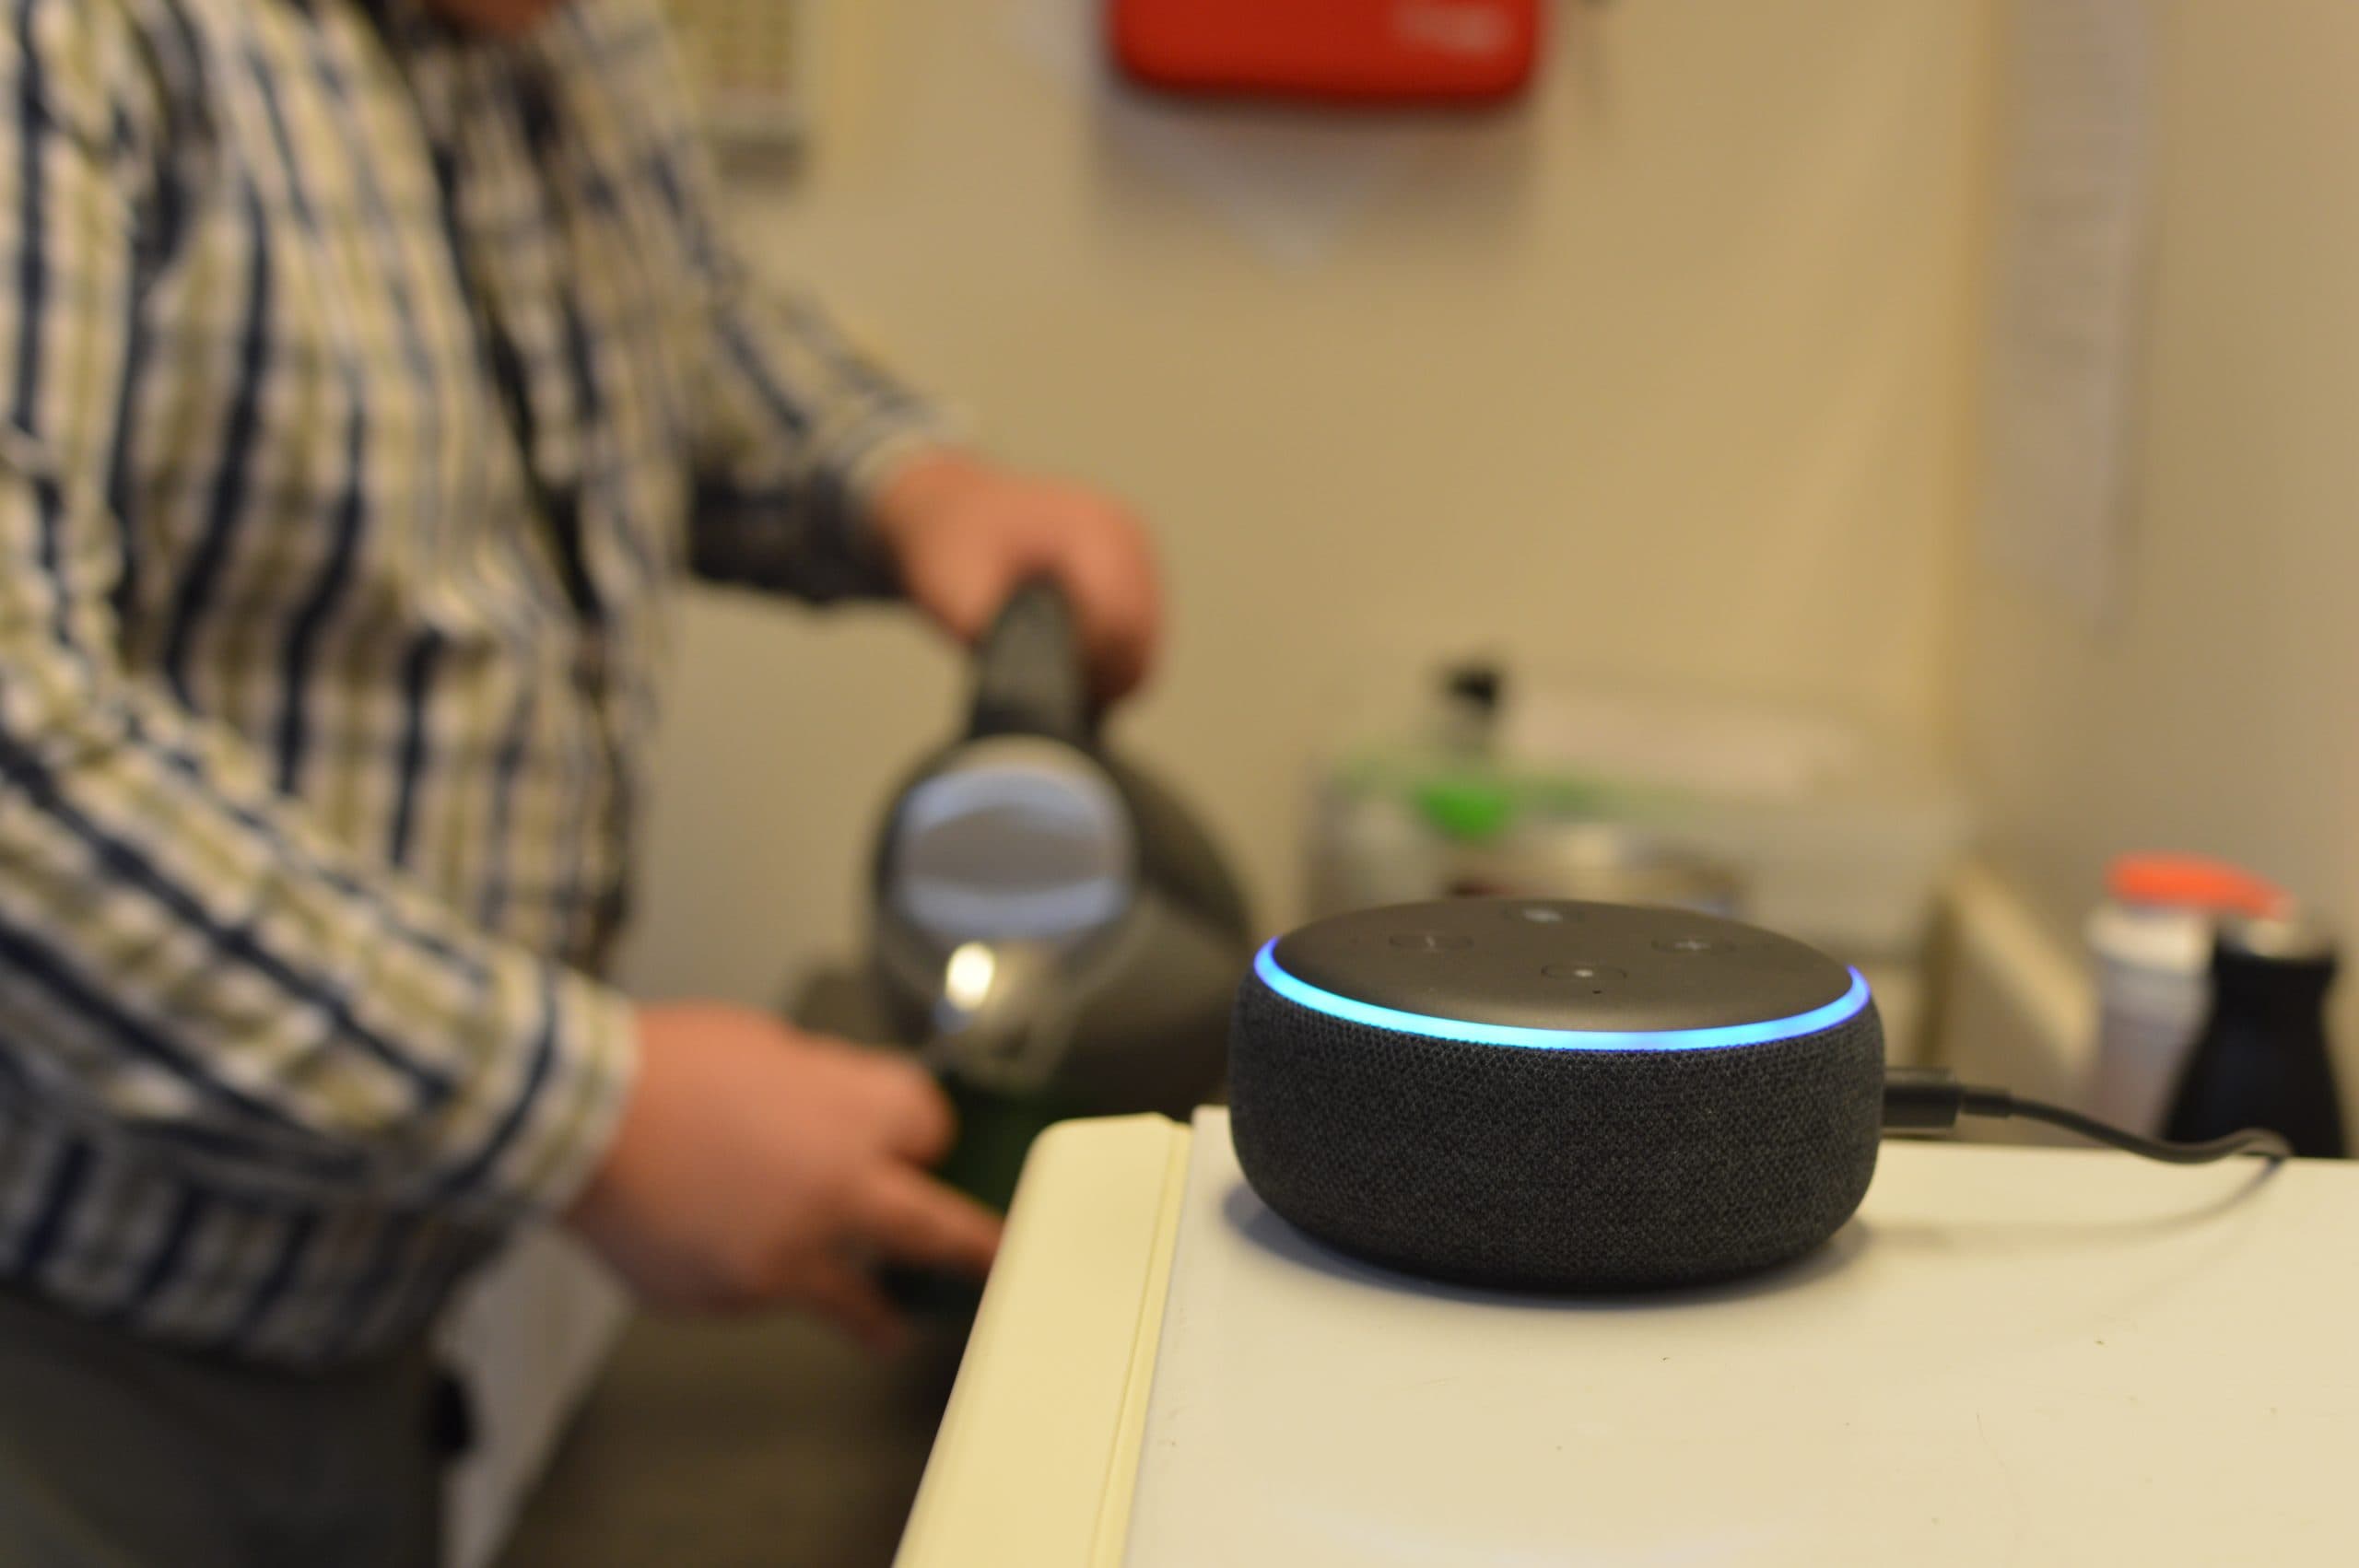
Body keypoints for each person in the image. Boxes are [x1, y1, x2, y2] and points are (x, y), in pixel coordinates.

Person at [0, 0, 1161, 1561]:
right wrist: (590, 1112)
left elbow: (674, 327)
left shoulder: (566, 32)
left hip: (365, 1358)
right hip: (62, 1369)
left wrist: (906, 482)